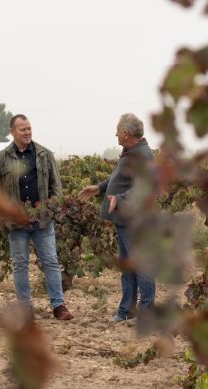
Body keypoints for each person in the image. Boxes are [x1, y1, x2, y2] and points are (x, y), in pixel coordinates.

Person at [0, 114, 73, 320]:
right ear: (12, 132)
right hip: (16, 222)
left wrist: (49, 207)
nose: (27, 132)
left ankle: (58, 306)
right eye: (22, 129)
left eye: (29, 128)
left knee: (51, 262)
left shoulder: (44, 154)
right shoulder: (2, 158)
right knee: (20, 265)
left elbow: (56, 187)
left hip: (42, 220)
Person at [78, 113, 155, 322]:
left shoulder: (142, 156)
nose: (115, 134)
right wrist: (99, 188)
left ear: (126, 133)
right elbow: (119, 178)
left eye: (117, 131)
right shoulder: (131, 152)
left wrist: (119, 200)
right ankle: (126, 311)